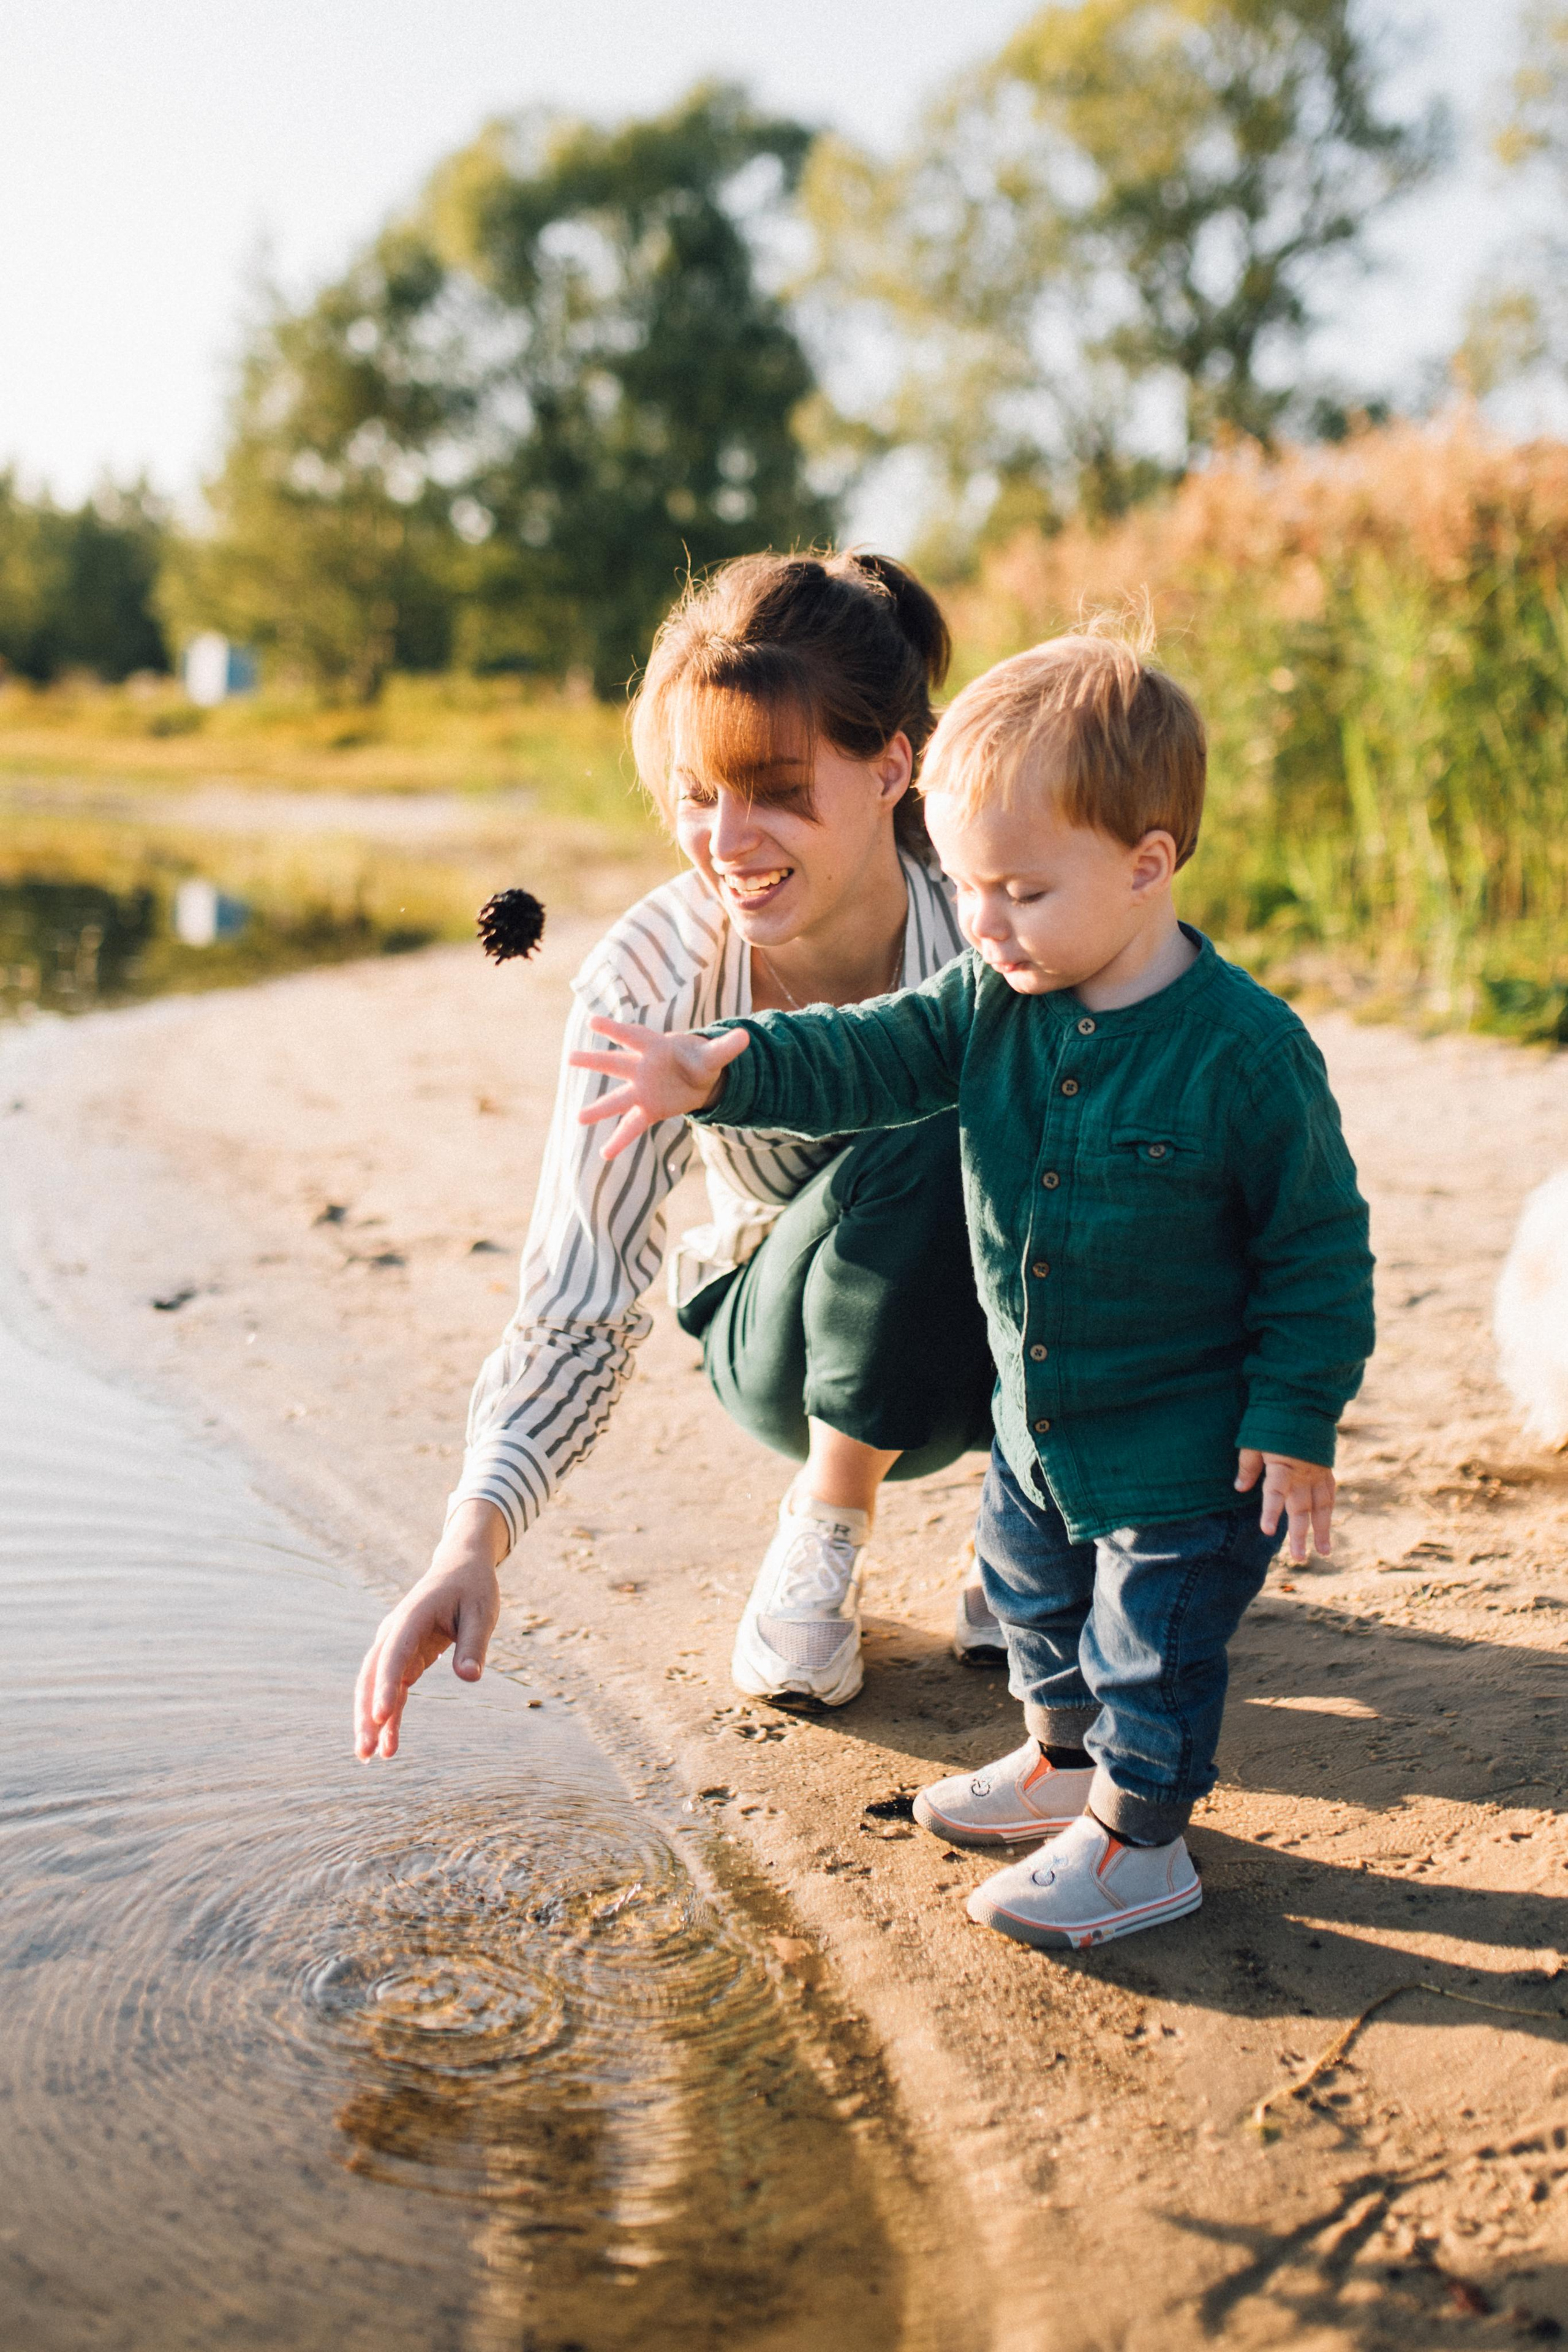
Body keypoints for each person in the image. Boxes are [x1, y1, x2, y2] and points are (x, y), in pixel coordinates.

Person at [570, 623, 1376, 1952]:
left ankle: (1138, 1840)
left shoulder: (1241, 1055)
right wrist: (725, 1064)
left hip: (1182, 1449)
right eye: (965, 884)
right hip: (1035, 1416)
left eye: (1018, 891)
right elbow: (868, 1055)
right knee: (1030, 1598)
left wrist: (1294, 1416)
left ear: (1146, 861)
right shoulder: (996, 998)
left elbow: (1314, 1249)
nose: (982, 922)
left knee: (1148, 1649)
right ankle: (1058, 1763)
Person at [354, 550, 1003, 1768]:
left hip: (990, 1340)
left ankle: (1027, 1529)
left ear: (889, 767)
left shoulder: (993, 920)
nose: (727, 840)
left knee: (1012, 1100)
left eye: (773, 789)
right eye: (697, 793)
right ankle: (824, 1526)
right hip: (782, 1341)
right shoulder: (648, 981)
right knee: (918, 1127)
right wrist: (471, 1540)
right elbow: (576, 1299)